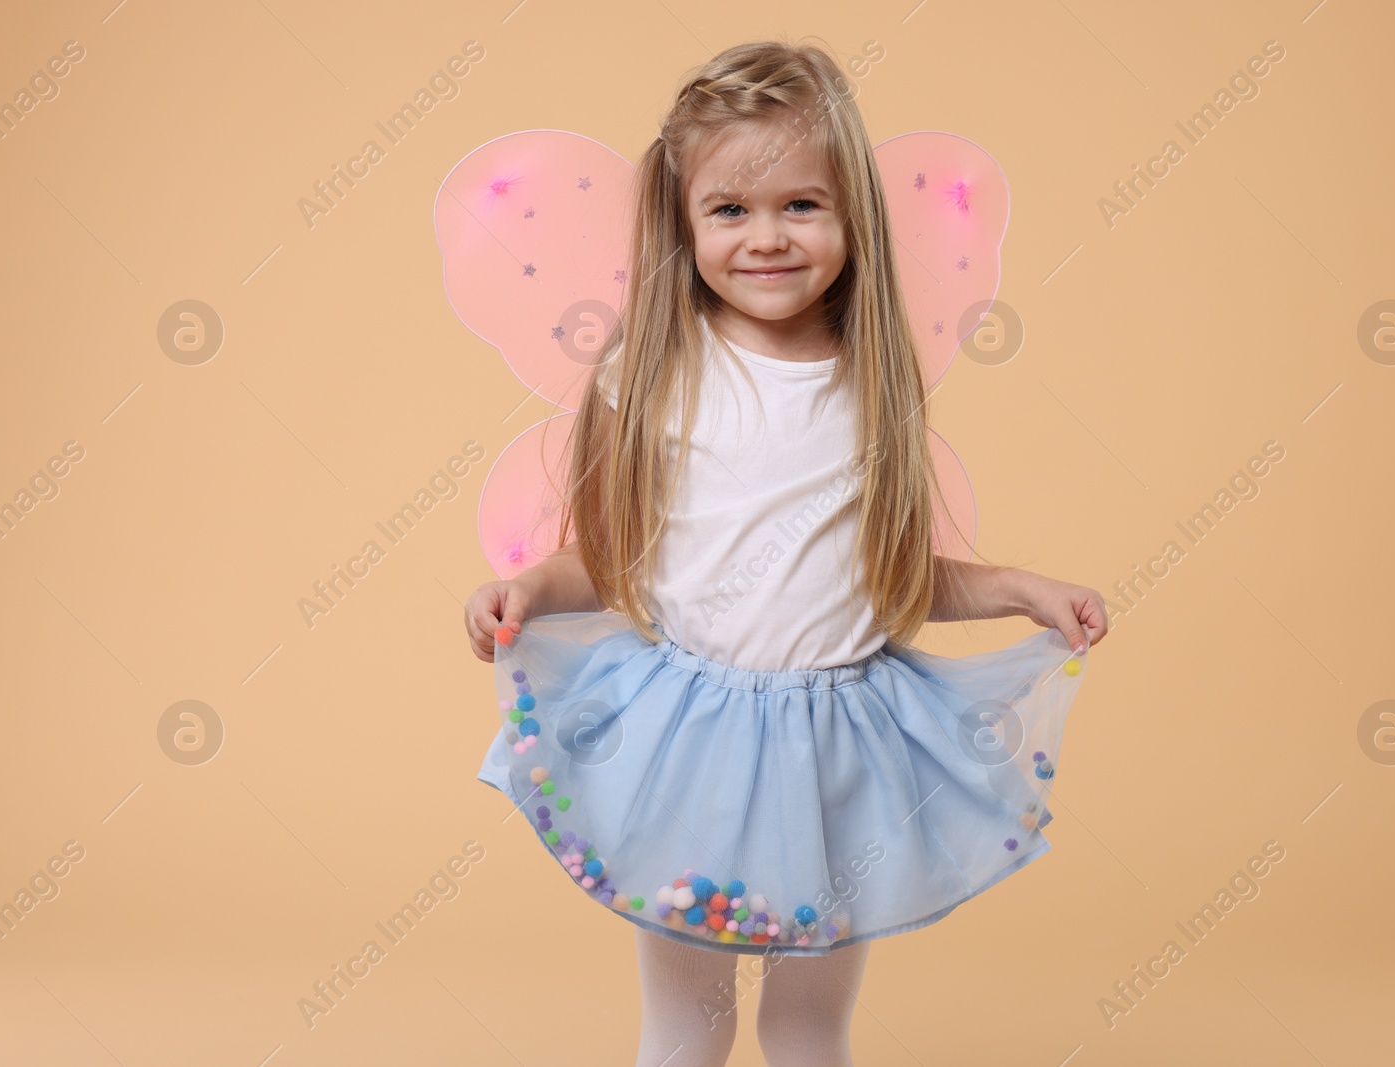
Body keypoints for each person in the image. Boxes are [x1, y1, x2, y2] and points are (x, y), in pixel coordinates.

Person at [463, 38, 1108, 1067]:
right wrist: (528, 588)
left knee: (808, 1026)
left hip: (842, 751)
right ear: (682, 222)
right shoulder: (655, 377)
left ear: (852, 214)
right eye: (730, 209)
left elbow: (889, 576)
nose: (767, 237)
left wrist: (1018, 587)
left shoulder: (871, 384)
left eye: (800, 205)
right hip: (689, 745)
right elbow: (614, 554)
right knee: (688, 1022)